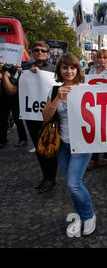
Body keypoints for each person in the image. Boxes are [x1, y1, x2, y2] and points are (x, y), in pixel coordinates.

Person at [42, 53, 107, 236]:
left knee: (74, 184)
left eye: (72, 67)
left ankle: (89, 215)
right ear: (59, 70)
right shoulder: (54, 90)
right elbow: (45, 117)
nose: (69, 71)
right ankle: (81, 216)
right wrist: (58, 97)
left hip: (82, 144)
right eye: (65, 68)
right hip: (63, 145)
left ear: (77, 70)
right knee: (71, 183)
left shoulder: (85, 88)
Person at [2, 42, 60, 193]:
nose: (39, 52)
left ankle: (50, 178)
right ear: (32, 52)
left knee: (49, 148)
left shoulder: (54, 70)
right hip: (32, 116)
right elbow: (11, 91)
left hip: (49, 116)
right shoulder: (23, 70)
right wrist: (5, 75)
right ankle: (46, 177)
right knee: (40, 149)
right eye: (36, 50)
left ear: (48, 53)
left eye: (43, 50)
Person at [86, 49, 107, 171]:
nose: (102, 60)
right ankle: (93, 158)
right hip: (94, 103)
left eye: (104, 58)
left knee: (105, 131)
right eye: (100, 58)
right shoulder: (92, 70)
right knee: (94, 130)